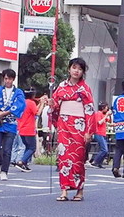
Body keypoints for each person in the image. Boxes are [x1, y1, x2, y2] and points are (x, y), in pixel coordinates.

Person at [52, 58, 96, 202]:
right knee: (63, 157)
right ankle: (64, 190)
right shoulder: (61, 86)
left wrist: (89, 130)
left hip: (79, 126)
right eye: (74, 67)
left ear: (83, 72)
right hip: (64, 125)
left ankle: (80, 190)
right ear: (69, 69)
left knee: (78, 158)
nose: (76, 71)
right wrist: (51, 104)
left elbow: (89, 110)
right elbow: (55, 106)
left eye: (80, 69)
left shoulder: (85, 88)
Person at [0, 69, 26, 181]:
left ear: (13, 79)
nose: (7, 81)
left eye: (9, 78)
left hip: (11, 124)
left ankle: (4, 171)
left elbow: (20, 105)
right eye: (5, 78)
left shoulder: (18, 92)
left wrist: (6, 113)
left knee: (7, 150)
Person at [16, 90, 45, 173]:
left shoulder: (22, 103)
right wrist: (42, 103)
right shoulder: (31, 103)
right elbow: (37, 113)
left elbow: (33, 110)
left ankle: (24, 163)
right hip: (29, 129)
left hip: (21, 128)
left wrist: (39, 103)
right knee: (32, 148)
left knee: (27, 147)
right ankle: (21, 162)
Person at [91, 102, 111, 168]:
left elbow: (108, 121)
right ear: (103, 108)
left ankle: (99, 162)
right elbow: (99, 122)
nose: (107, 109)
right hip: (98, 133)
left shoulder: (103, 114)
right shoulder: (98, 114)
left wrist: (108, 115)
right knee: (104, 149)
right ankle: (95, 161)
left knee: (104, 149)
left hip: (102, 133)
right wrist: (106, 115)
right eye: (106, 107)